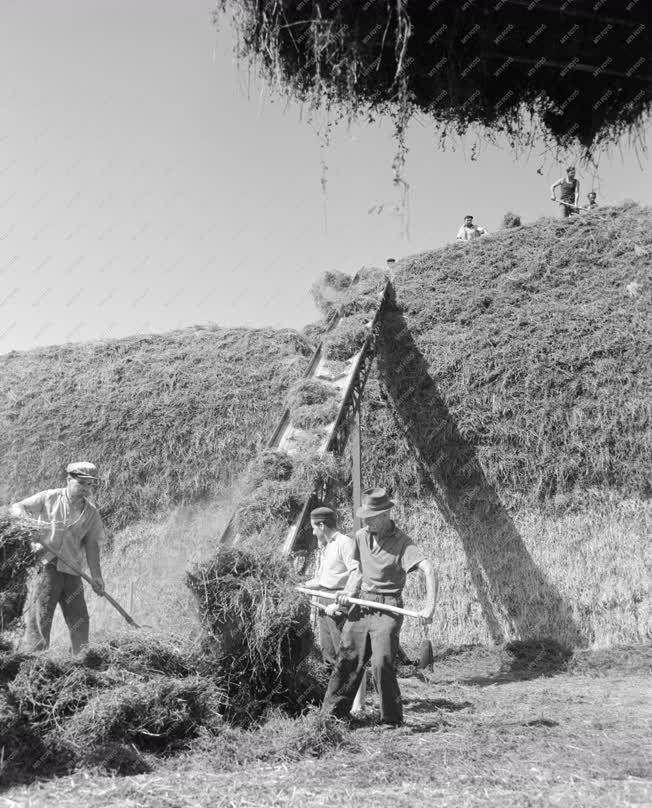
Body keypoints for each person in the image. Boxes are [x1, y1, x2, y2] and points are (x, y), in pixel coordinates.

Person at [322, 488, 438, 727]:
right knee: (347, 659)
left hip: (388, 606)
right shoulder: (361, 536)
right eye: (365, 516)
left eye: (372, 516)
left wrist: (429, 607)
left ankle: (391, 720)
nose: (366, 521)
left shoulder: (403, 543)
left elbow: (428, 569)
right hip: (362, 604)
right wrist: (348, 594)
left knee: (382, 662)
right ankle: (332, 716)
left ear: (386, 514)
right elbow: (358, 571)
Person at [11, 462, 106, 654]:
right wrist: (30, 526)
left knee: (80, 620)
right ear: (69, 479)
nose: (86, 489)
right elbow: (17, 507)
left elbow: (91, 545)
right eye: (81, 483)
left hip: (72, 571)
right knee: (42, 618)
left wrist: (97, 576)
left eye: (90, 485)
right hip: (47, 567)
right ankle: (34, 662)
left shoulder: (91, 513)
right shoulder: (50, 497)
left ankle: (81, 662)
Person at [304, 506, 367, 714]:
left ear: (322, 525)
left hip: (340, 603)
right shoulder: (327, 546)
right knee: (329, 655)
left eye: (314, 527)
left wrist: (340, 604)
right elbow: (323, 580)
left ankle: (358, 705)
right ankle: (334, 706)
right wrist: (300, 584)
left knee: (348, 655)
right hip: (325, 603)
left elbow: (357, 573)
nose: (313, 533)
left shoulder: (344, 543)